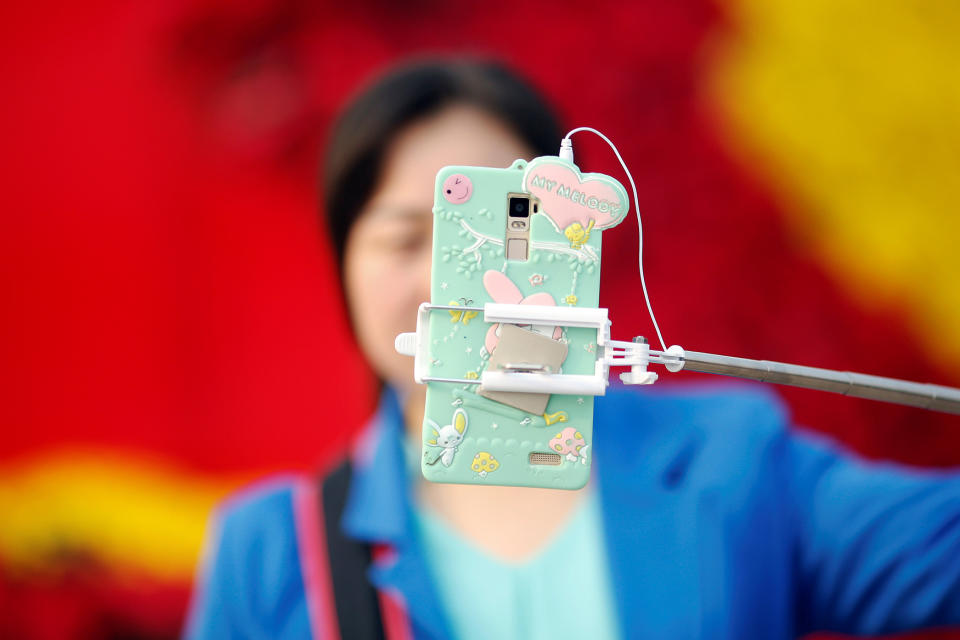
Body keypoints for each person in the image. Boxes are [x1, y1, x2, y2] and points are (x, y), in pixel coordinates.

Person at [184, 59, 960, 640]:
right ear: (342, 268)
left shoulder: (733, 460)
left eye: (505, 221)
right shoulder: (271, 552)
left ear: (575, 245)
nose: (460, 274)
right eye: (405, 235)